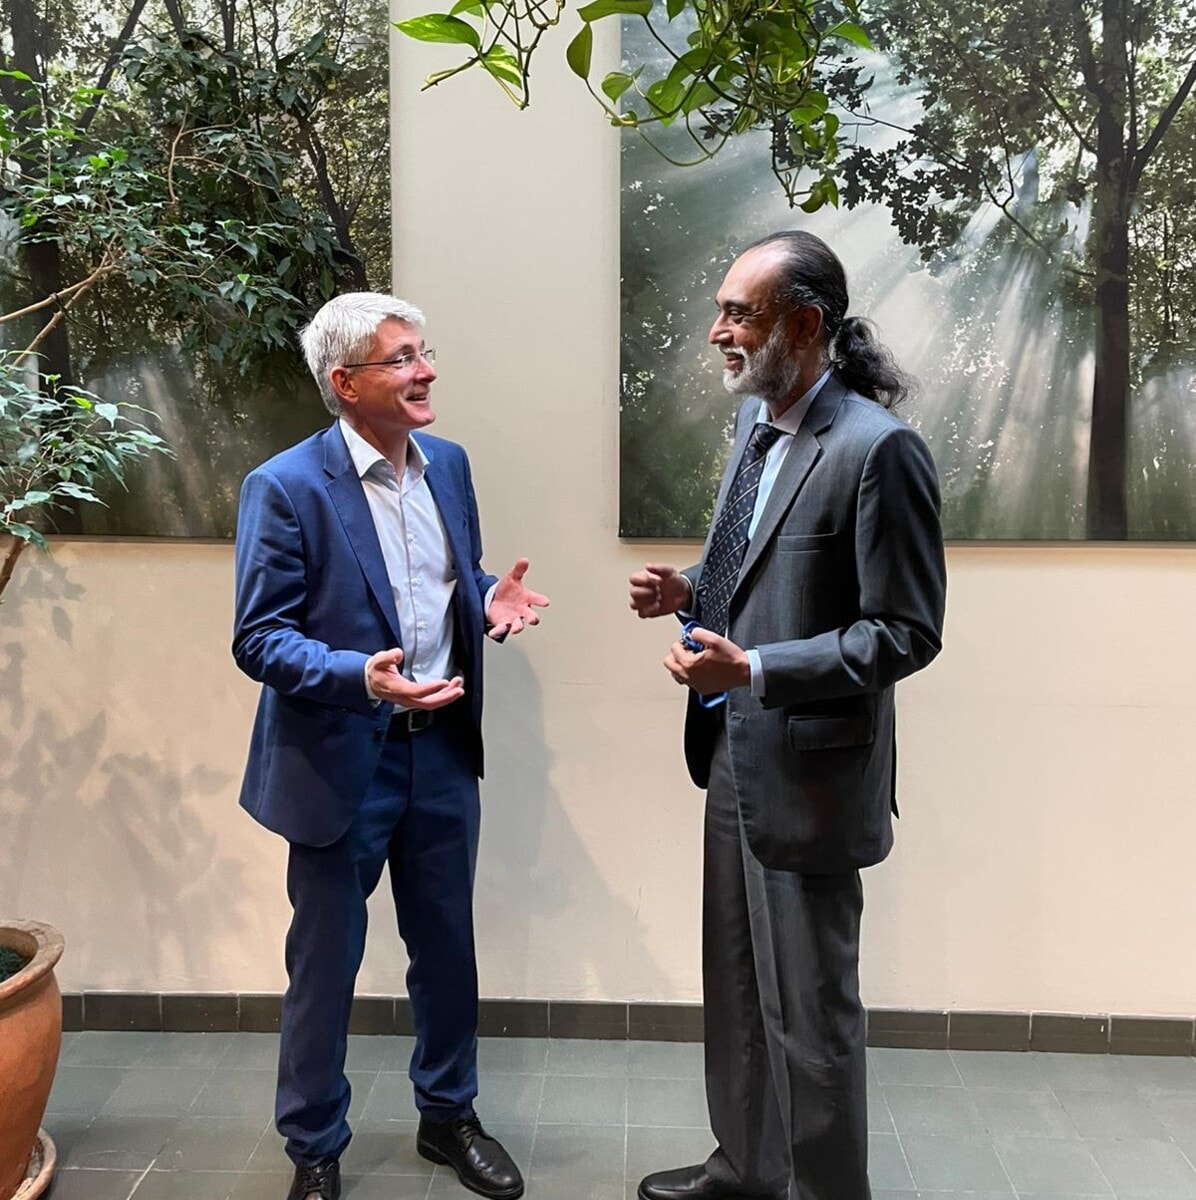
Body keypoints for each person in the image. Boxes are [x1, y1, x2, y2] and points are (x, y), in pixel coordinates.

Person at [629, 231, 947, 1200]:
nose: (718, 331)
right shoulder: (757, 426)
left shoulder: (877, 451)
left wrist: (754, 665)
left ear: (805, 326)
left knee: (808, 1022)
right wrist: (688, 587)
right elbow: (763, 564)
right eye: (720, 310)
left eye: (740, 313)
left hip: (810, 776)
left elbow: (903, 632)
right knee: (735, 990)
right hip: (730, 754)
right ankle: (743, 1168)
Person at [232, 291, 547, 1200]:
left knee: (447, 945)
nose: (427, 371)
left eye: (424, 352)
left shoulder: (448, 465)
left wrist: (485, 598)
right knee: (324, 963)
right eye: (404, 358)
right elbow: (260, 637)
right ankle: (316, 1148)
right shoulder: (285, 486)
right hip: (339, 757)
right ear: (346, 383)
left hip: (441, 748)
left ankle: (448, 1117)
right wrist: (354, 675)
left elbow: (454, 575)